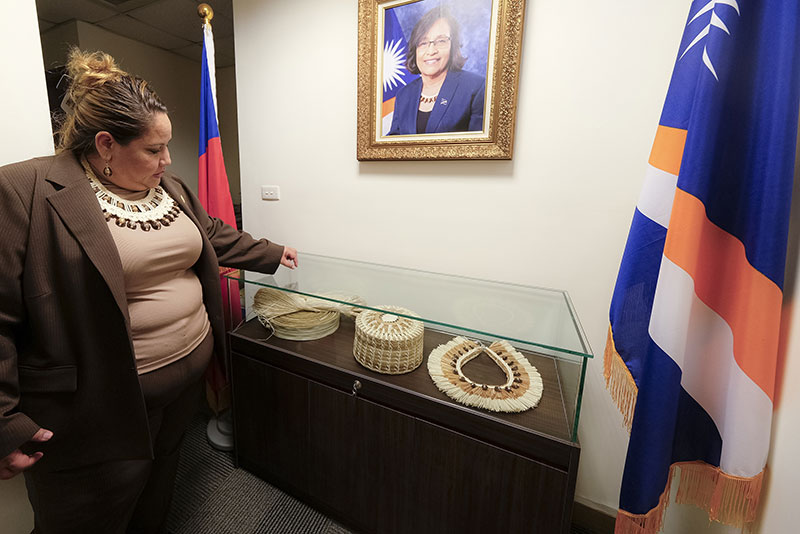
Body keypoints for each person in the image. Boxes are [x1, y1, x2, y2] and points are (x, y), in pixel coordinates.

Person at [0, 49, 298, 533]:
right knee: (88, 514)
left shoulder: (171, 187)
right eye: (153, 149)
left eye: (168, 146)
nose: (166, 160)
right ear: (106, 145)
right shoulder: (24, 189)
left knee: (156, 490)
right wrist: (4, 422)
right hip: (96, 406)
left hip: (182, 385)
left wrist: (270, 252)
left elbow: (211, 233)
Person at [387, 7, 485, 135]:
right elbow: (393, 145)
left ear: (453, 46)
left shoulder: (476, 88)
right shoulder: (404, 95)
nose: (431, 50)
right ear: (415, 49)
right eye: (423, 43)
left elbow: (480, 148)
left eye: (441, 41)